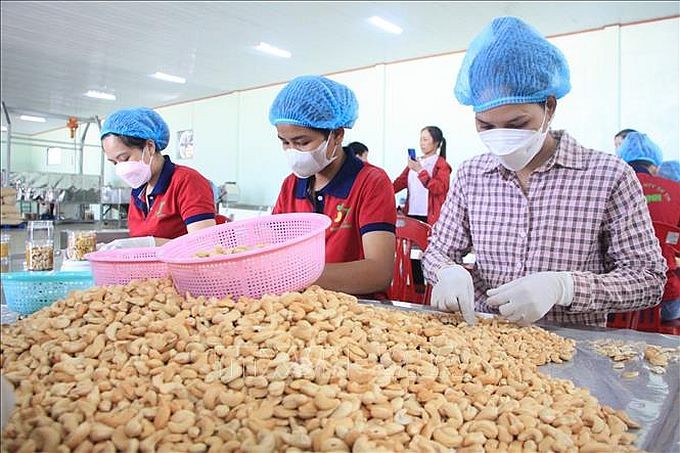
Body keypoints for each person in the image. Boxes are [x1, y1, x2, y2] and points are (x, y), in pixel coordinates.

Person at [422, 16, 666, 327]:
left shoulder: (609, 176)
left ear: (549, 107)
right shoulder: (472, 176)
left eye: (517, 124)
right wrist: (446, 271)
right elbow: (438, 252)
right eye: (485, 125)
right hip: (486, 341)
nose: (501, 137)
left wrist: (565, 287)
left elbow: (648, 278)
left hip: (571, 341)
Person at [270, 75, 396, 297]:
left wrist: (294, 276)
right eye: (285, 142)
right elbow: (273, 251)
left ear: (336, 135)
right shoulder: (291, 186)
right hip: (300, 305)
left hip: (357, 306)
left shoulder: (370, 182)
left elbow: (378, 272)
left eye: (302, 142)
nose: (292, 151)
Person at [100, 107, 216, 249]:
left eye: (124, 158)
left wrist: (148, 244)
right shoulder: (139, 192)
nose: (121, 168)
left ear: (149, 147)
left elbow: (204, 245)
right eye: (114, 163)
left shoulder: (187, 181)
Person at [618, 132, 680, 321]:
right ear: (654, 165)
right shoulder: (675, 189)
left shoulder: (612, 186)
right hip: (666, 300)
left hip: (618, 300)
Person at [392, 126, 452, 226]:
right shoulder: (415, 162)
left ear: (436, 142)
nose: (421, 143)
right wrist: (382, 190)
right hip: (410, 214)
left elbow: (439, 188)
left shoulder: (441, 165)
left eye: (425, 139)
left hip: (431, 218)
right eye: (421, 139)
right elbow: (399, 183)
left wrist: (420, 171)